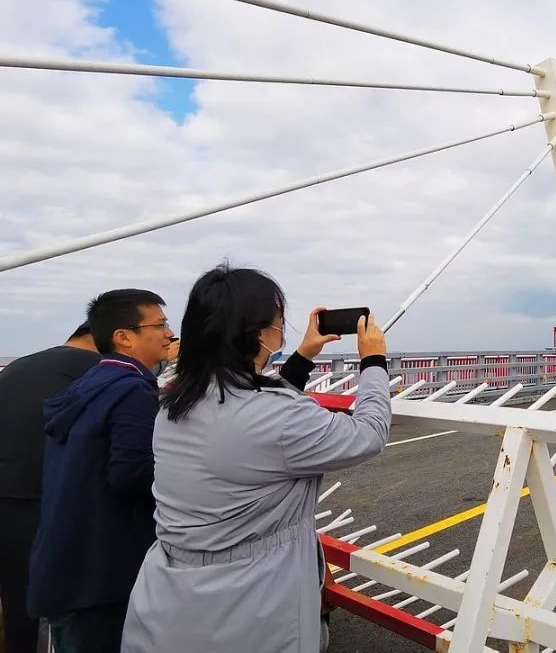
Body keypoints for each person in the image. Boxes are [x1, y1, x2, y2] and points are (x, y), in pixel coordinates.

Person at [121, 264, 391, 653]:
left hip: (169, 595)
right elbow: (367, 434)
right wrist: (374, 362)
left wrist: (302, 357)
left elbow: (256, 408)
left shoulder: (176, 398)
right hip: (252, 603)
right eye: (281, 320)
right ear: (260, 332)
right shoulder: (277, 417)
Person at [27, 290, 175, 653]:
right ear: (123, 337)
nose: (169, 334)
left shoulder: (90, 386)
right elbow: (131, 473)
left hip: (67, 564)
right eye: (160, 325)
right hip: (103, 572)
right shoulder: (130, 392)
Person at [0, 323, 99, 653]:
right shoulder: (95, 369)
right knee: (66, 609)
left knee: (18, 608)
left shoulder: (21, 365)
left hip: (9, 493)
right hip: (43, 498)